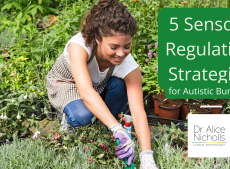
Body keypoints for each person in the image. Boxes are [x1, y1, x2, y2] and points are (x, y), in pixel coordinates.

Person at [46, 0, 158, 168]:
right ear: (98, 38)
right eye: (114, 47)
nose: (121, 53)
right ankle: (69, 120)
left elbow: (138, 110)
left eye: (127, 46)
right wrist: (118, 128)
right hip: (67, 84)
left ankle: (104, 131)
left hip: (95, 87)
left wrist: (146, 157)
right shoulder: (79, 46)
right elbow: (86, 93)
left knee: (120, 86)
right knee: (82, 116)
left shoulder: (128, 65)